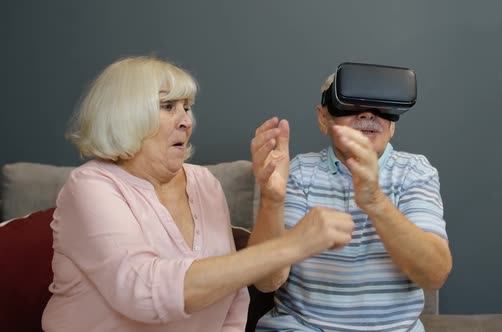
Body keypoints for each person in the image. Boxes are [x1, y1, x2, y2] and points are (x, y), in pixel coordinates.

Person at [41, 56, 355, 332]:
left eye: (187, 108)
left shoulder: (204, 182)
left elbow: (235, 299)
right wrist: (294, 244)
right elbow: (144, 292)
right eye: (168, 106)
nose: (187, 121)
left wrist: (272, 198)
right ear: (125, 115)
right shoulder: (89, 187)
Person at [249, 72, 453, 331]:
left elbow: (435, 275)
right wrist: (272, 201)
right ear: (324, 118)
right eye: (351, 105)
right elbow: (268, 282)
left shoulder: (415, 172)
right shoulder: (298, 172)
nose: (368, 115)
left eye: (381, 108)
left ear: (393, 124)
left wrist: (376, 202)